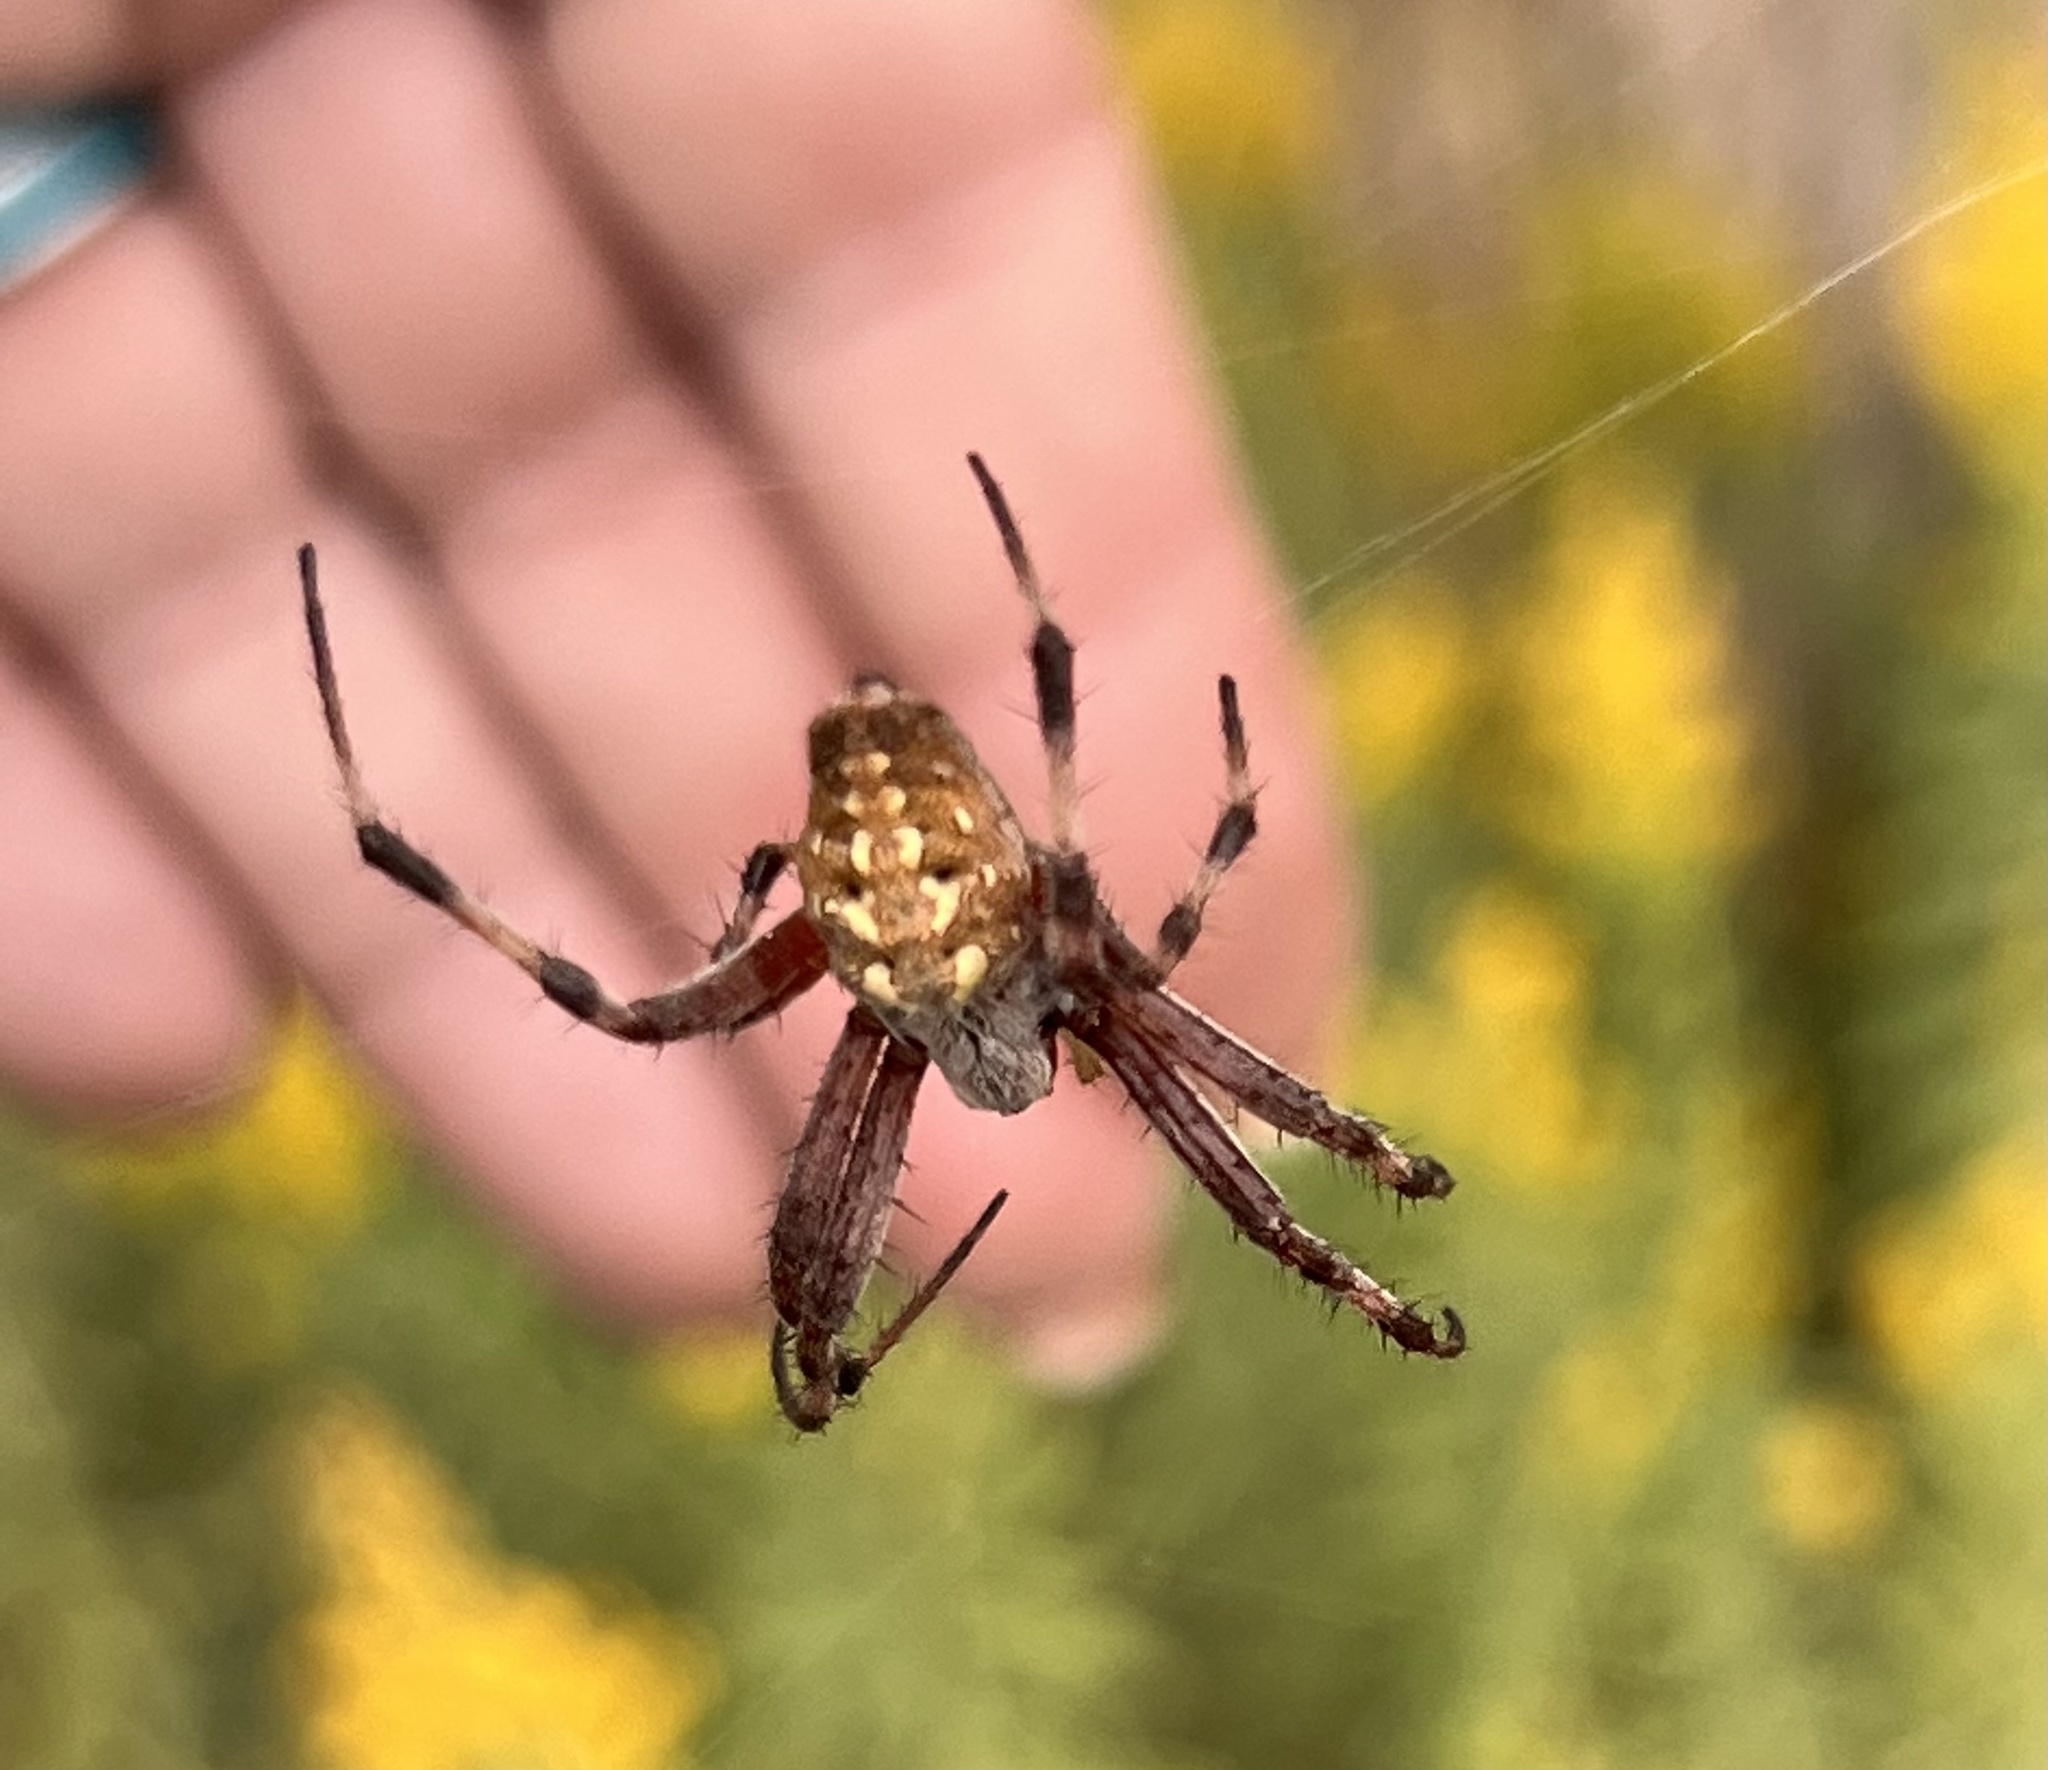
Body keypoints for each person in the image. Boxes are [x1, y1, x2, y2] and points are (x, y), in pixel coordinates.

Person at [0, 0, 1354, 1385]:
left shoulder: (918, 1016)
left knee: (649, 1036)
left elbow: (1148, 875)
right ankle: (369, 816)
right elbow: (1126, 891)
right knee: (675, 1027)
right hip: (922, 866)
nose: (1006, 1080)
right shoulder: (1066, 983)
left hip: (883, 901)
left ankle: (369, 815)